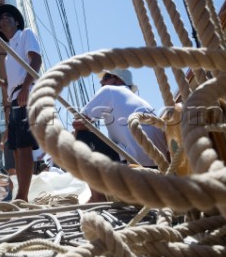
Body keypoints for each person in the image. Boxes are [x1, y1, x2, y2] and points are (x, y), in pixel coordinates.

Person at [72, 69, 168, 202]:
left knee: (80, 135)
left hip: (135, 164)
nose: (101, 82)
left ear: (117, 80)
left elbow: (78, 123)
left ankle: (98, 197)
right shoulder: (142, 103)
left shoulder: (109, 91)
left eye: (105, 77)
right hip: (161, 169)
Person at [0, 4, 42, 202]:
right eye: (1, 19)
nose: (4, 19)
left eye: (8, 16)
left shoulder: (26, 34)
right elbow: (12, 84)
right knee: (17, 149)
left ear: (16, 21)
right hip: (17, 98)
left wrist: (26, 87)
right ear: (0, 29)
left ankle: (22, 197)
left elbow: (36, 61)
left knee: (24, 147)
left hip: (29, 93)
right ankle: (21, 193)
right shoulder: (9, 54)